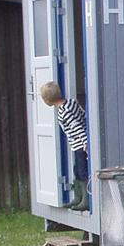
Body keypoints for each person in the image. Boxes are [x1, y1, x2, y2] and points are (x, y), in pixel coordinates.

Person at [39, 81, 90, 211]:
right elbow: (83, 115)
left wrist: (85, 142)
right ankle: (78, 197)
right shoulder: (72, 102)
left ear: (48, 101)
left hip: (80, 145)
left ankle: (86, 200)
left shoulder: (64, 112)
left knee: (82, 171)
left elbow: (77, 127)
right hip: (77, 145)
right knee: (76, 170)